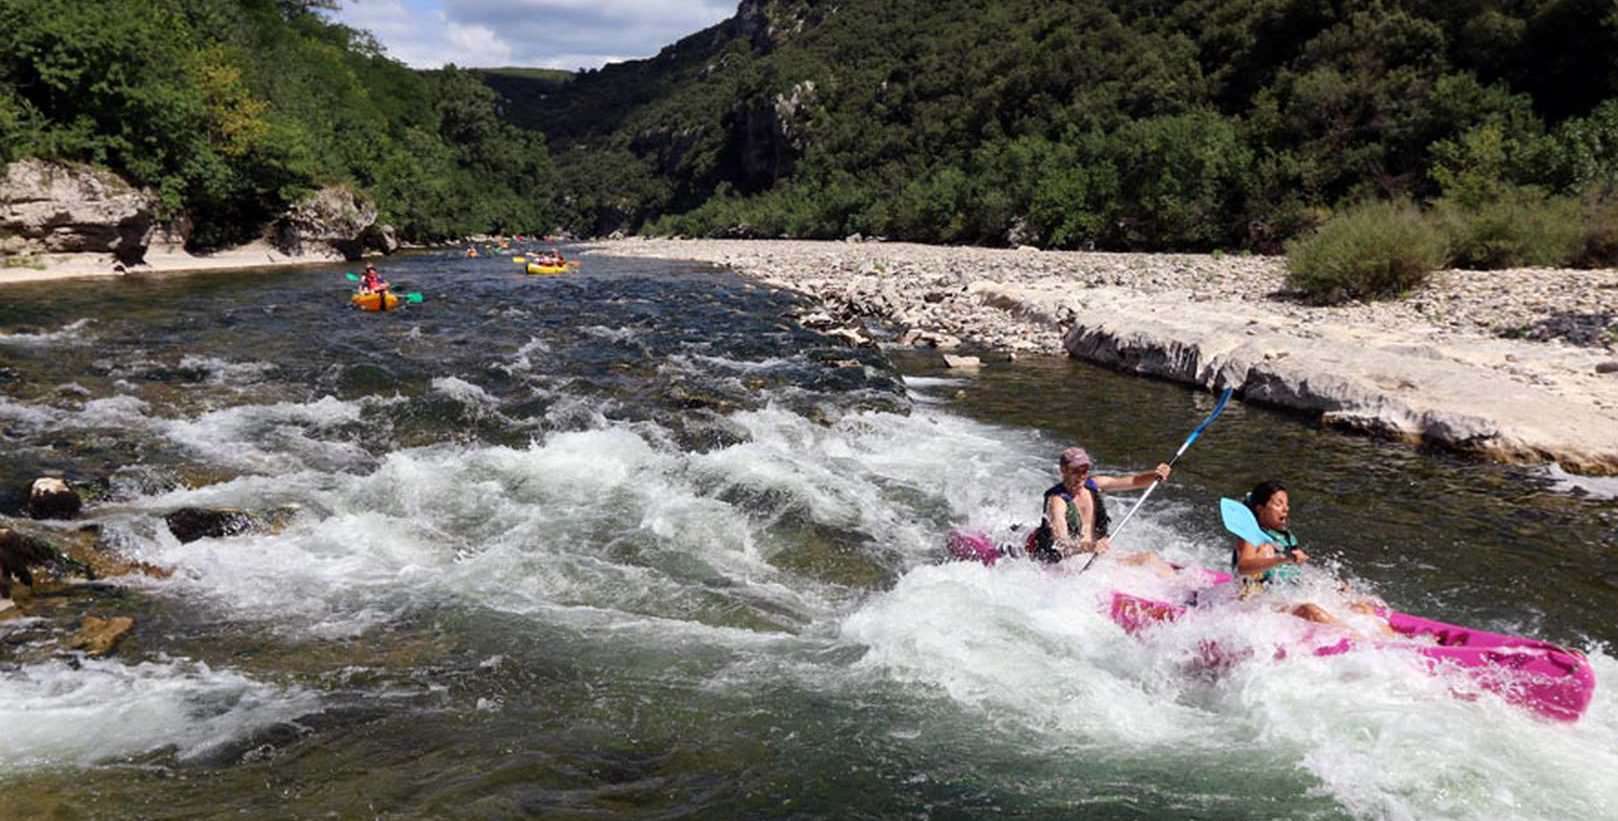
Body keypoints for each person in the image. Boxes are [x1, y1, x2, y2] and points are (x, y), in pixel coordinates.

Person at [1030, 446, 1176, 574]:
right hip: (1068, 562)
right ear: (1063, 470)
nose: (1081, 475)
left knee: (1149, 558)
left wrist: (1155, 475)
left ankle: (1183, 590)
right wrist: (1090, 546)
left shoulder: (1093, 484)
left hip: (1095, 555)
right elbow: (1062, 544)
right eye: (1076, 470)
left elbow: (1133, 481)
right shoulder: (1057, 501)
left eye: (1085, 470)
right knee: (1145, 561)